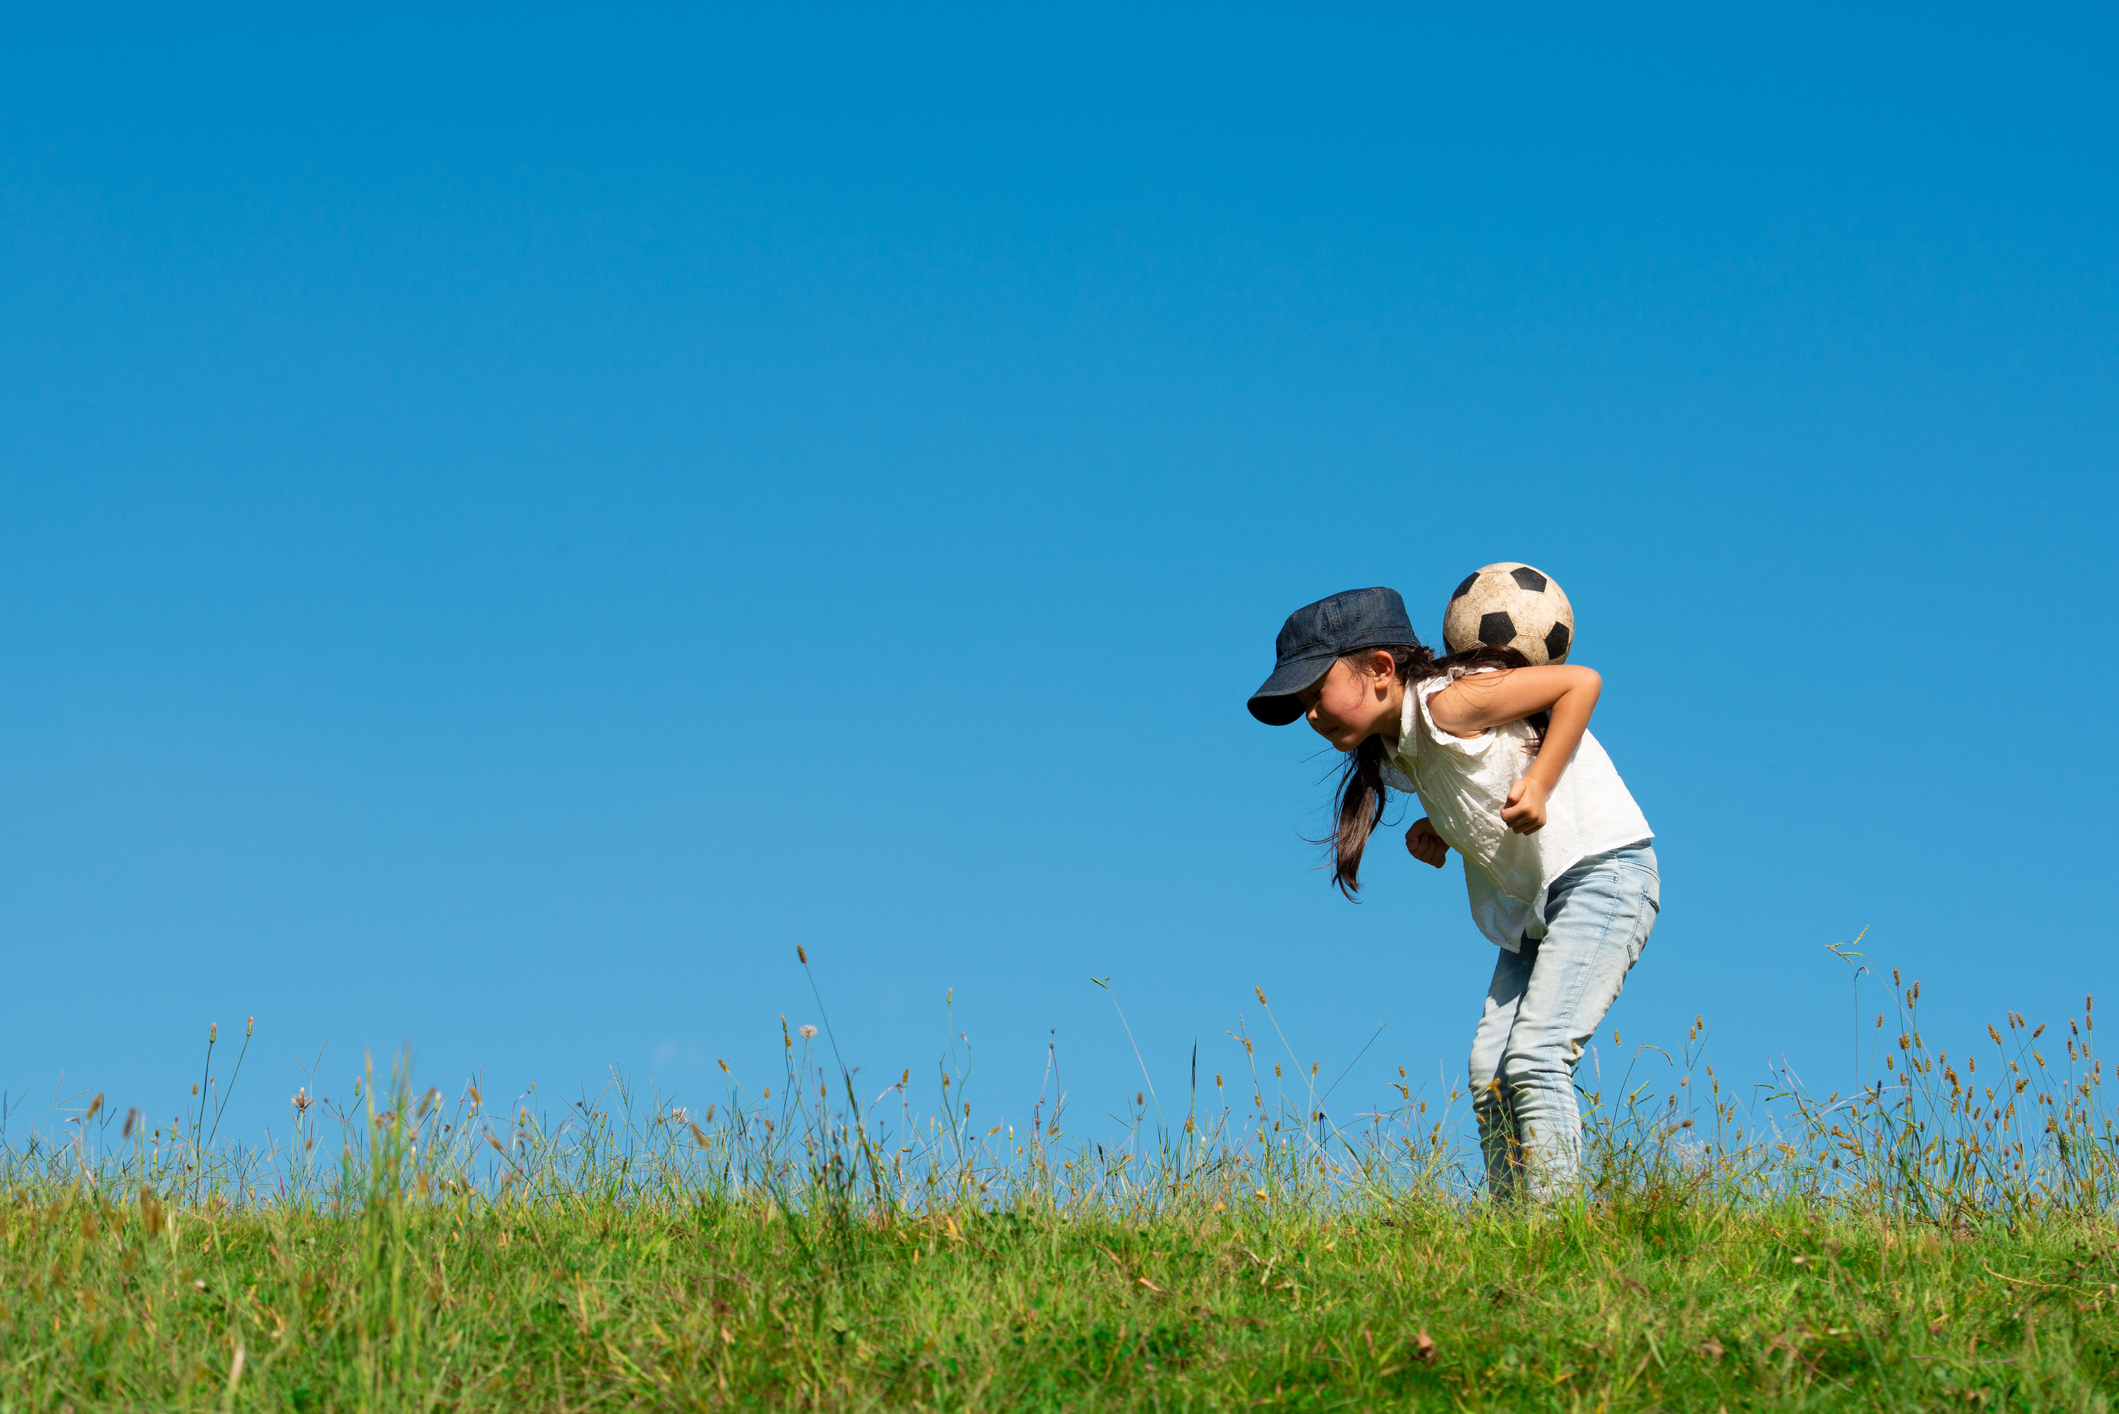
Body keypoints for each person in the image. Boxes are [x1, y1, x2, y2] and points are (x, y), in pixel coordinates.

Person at [1247, 585, 1657, 1200]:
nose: (1310, 712)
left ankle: (1554, 1230)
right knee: (1489, 1072)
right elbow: (1479, 770)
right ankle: (1508, 1225)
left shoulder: (1450, 700)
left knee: (1536, 1057)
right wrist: (1441, 825)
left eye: (1316, 691)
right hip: (1533, 907)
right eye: (1301, 702)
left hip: (1602, 873)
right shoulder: (1399, 747)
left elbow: (1582, 683)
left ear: (1380, 670)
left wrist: (1540, 784)